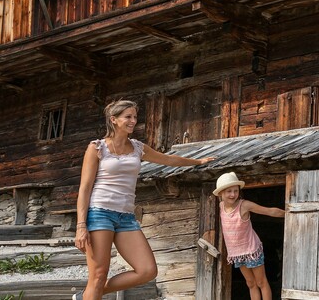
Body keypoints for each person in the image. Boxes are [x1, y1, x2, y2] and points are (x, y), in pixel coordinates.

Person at [73, 99, 216, 300]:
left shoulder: (138, 148)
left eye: (135, 117)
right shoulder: (97, 148)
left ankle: (88, 294)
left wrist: (197, 161)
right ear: (113, 120)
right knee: (98, 275)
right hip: (99, 213)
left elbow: (168, 159)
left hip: (126, 217)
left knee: (147, 270)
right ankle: (92, 291)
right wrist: (81, 225)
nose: (133, 121)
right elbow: (85, 188)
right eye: (128, 117)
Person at [213, 172, 286, 300]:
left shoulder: (244, 205)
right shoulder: (220, 206)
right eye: (229, 191)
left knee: (261, 282)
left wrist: (290, 213)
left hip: (252, 250)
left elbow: (269, 211)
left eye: (236, 191)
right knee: (250, 283)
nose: (233, 194)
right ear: (221, 194)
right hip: (238, 253)